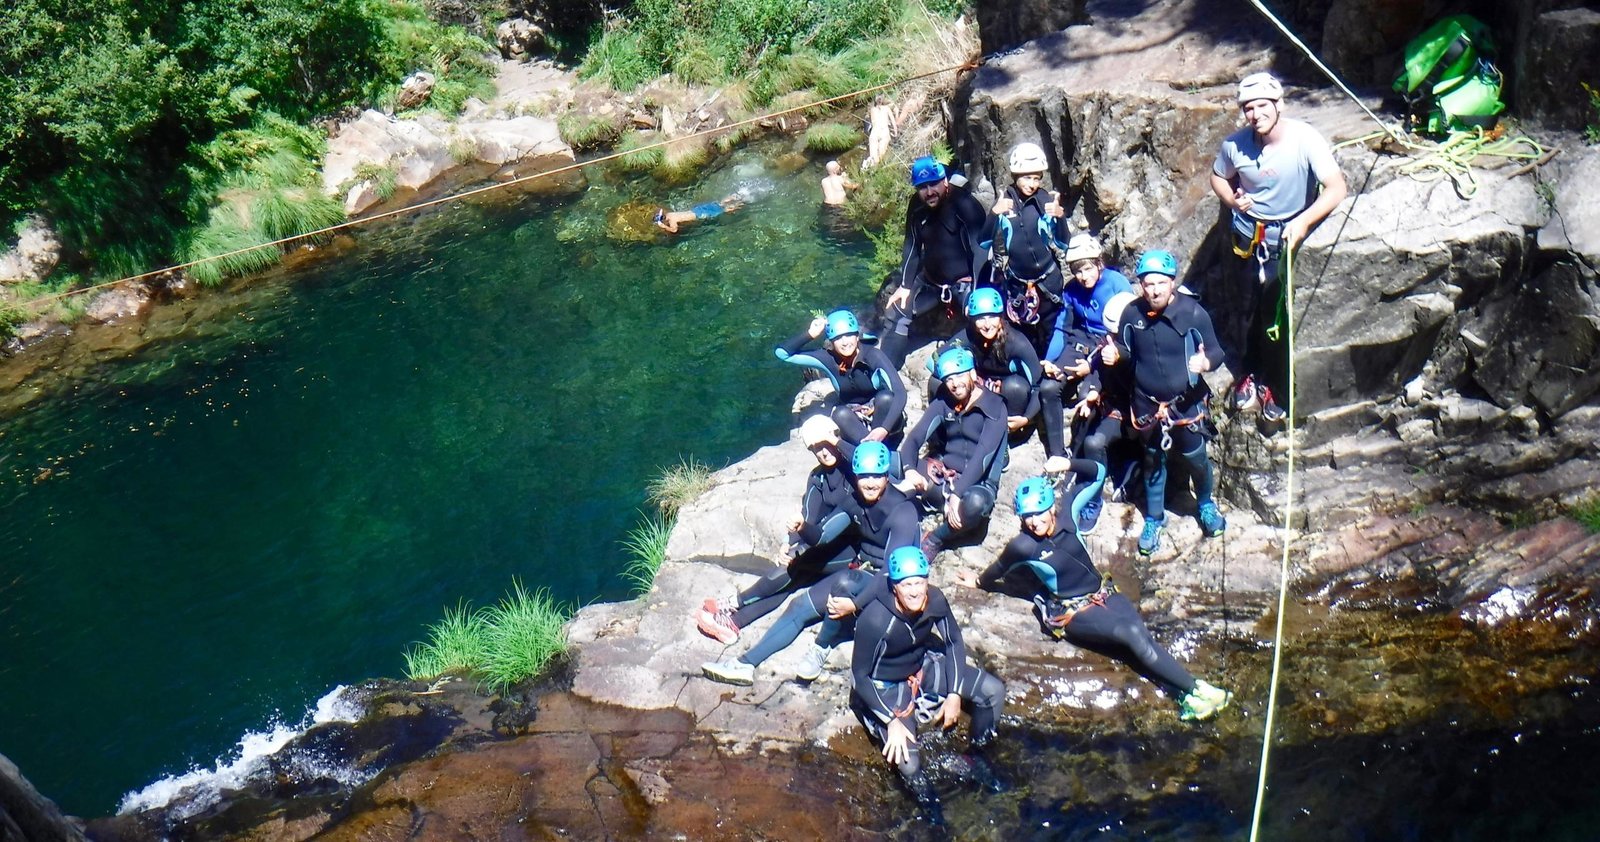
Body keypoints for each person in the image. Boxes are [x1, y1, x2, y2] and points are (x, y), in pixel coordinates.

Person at [955, 475, 1232, 722]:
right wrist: (979, 582)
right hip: (1074, 612)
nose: (1033, 521)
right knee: (1132, 634)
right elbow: (999, 569)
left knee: (1139, 640)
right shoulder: (1023, 546)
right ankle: (1197, 689)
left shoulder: (1069, 518)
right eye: (1027, 516)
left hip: (1105, 593)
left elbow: (1096, 474)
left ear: (1052, 508)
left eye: (1039, 513)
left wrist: (1069, 462)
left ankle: (1188, 695)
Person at [701, 441, 920, 685]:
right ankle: (744, 665)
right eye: (863, 476)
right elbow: (823, 535)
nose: (870, 482)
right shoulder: (855, 500)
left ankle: (822, 646)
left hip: (890, 586)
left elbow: (892, 572)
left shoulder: (903, 511)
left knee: (846, 582)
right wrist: (802, 528)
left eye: (876, 476)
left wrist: (855, 605)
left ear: (887, 476)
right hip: (863, 571)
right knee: (798, 607)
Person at [1210, 71, 1348, 424]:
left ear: (1278, 105)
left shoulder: (1305, 140)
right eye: (1249, 108)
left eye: (1262, 106)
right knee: (1243, 310)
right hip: (1247, 237)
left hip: (1284, 238)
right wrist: (1231, 199)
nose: (1255, 114)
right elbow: (1218, 175)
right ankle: (1249, 375)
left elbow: (1336, 188)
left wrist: (1302, 222)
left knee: (1276, 315)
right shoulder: (1235, 145)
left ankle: (1274, 383)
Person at [850, 545, 1006, 825]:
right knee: (909, 764)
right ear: (894, 586)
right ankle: (933, 812)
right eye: (907, 584)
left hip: (922, 667)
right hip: (886, 685)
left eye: (920, 582)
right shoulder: (875, 620)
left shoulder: (935, 600)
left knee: (993, 692)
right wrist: (890, 719)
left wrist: (954, 693)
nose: (915, 591)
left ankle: (976, 757)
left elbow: (953, 641)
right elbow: (859, 677)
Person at [694, 415, 859, 646]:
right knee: (792, 574)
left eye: (825, 445)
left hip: (853, 554)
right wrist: (788, 542)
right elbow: (808, 516)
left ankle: (734, 603)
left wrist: (836, 440)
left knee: (797, 564)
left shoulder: (857, 471)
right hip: (827, 546)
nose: (822, 452)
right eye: (815, 449)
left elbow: (870, 459)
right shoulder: (818, 478)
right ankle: (733, 624)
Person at [1102, 250, 1227, 555]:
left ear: (1172, 283)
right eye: (1147, 284)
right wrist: (1116, 354)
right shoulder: (1132, 315)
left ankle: (1206, 503)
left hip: (1186, 405)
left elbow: (1217, 351)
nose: (1154, 290)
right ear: (1140, 285)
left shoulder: (1193, 313)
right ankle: (1155, 519)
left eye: (1160, 283)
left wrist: (1205, 362)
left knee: (1196, 458)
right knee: (1152, 460)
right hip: (1147, 404)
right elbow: (1130, 351)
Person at [877, 156, 991, 367]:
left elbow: (979, 252)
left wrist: (977, 291)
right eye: (922, 187)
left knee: (983, 318)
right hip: (931, 281)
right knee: (896, 311)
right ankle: (886, 374)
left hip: (964, 283)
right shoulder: (917, 206)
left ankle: (981, 368)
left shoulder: (965, 206)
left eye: (933, 184)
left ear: (945, 181)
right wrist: (905, 285)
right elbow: (912, 245)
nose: (929, 192)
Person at [899, 346, 1009, 559]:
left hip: (976, 484)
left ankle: (936, 538)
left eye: (959, 376)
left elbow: (983, 457)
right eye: (948, 379)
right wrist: (909, 469)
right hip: (943, 474)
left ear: (973, 374)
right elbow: (915, 438)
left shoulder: (994, 406)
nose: (954, 384)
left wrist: (957, 495)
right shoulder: (945, 401)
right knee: (889, 465)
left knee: (975, 504)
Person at [774, 309, 907, 444]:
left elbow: (900, 393)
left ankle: (878, 445)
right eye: (838, 338)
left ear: (857, 336)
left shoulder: (873, 356)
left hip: (881, 416)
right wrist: (811, 334)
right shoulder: (828, 358)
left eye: (849, 335)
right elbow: (782, 353)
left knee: (886, 398)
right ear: (831, 342)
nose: (844, 342)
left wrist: (883, 429)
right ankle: (868, 448)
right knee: (840, 414)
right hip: (855, 418)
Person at [1070, 288, 1142, 534]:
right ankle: (1088, 484)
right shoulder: (1108, 343)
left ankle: (1095, 498)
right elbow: (1097, 371)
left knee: (1095, 442)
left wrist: (1122, 359)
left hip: (1138, 411)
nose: (1112, 337)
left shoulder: (1146, 346)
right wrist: (1092, 391)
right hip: (1114, 405)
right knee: (1085, 424)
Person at [989, 142, 1070, 356]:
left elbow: (1063, 244)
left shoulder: (1045, 200)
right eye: (1027, 177)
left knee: (1051, 330)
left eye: (1036, 178)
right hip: (1018, 283)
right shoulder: (1004, 203)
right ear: (1016, 176)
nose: (1032, 184)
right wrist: (994, 214)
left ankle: (1051, 372)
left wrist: (1060, 217)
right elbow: (983, 242)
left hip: (1048, 281)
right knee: (1025, 335)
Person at [959, 287, 1057, 449]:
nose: (987, 324)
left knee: (1015, 386)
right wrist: (966, 369)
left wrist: (1026, 418)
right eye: (980, 318)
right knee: (946, 377)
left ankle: (1005, 438)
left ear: (1000, 317)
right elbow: (936, 359)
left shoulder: (1017, 342)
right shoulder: (970, 335)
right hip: (984, 391)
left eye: (992, 317)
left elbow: (1039, 384)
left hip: (1014, 403)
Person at [655, 193, 746, 234]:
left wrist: (664, 227)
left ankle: (742, 202)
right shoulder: (670, 214)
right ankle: (735, 196)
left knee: (722, 210)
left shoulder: (672, 220)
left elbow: (674, 230)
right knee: (719, 204)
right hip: (696, 209)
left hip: (699, 214)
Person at [864, 97, 897, 168]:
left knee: (873, 158)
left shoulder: (872, 110)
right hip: (884, 132)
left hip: (874, 133)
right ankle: (877, 170)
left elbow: (870, 122)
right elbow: (893, 122)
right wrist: (895, 132)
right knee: (880, 157)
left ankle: (870, 169)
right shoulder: (887, 109)